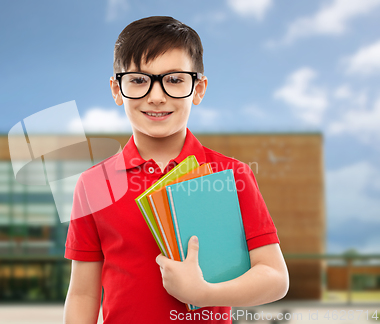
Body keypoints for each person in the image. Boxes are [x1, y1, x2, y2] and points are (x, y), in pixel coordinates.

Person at [63, 16, 289, 324]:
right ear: (117, 89)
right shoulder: (94, 185)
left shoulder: (229, 175)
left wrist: (203, 293)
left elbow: (274, 276)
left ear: (198, 88)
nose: (156, 96)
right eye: (139, 80)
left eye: (174, 80)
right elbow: (82, 294)